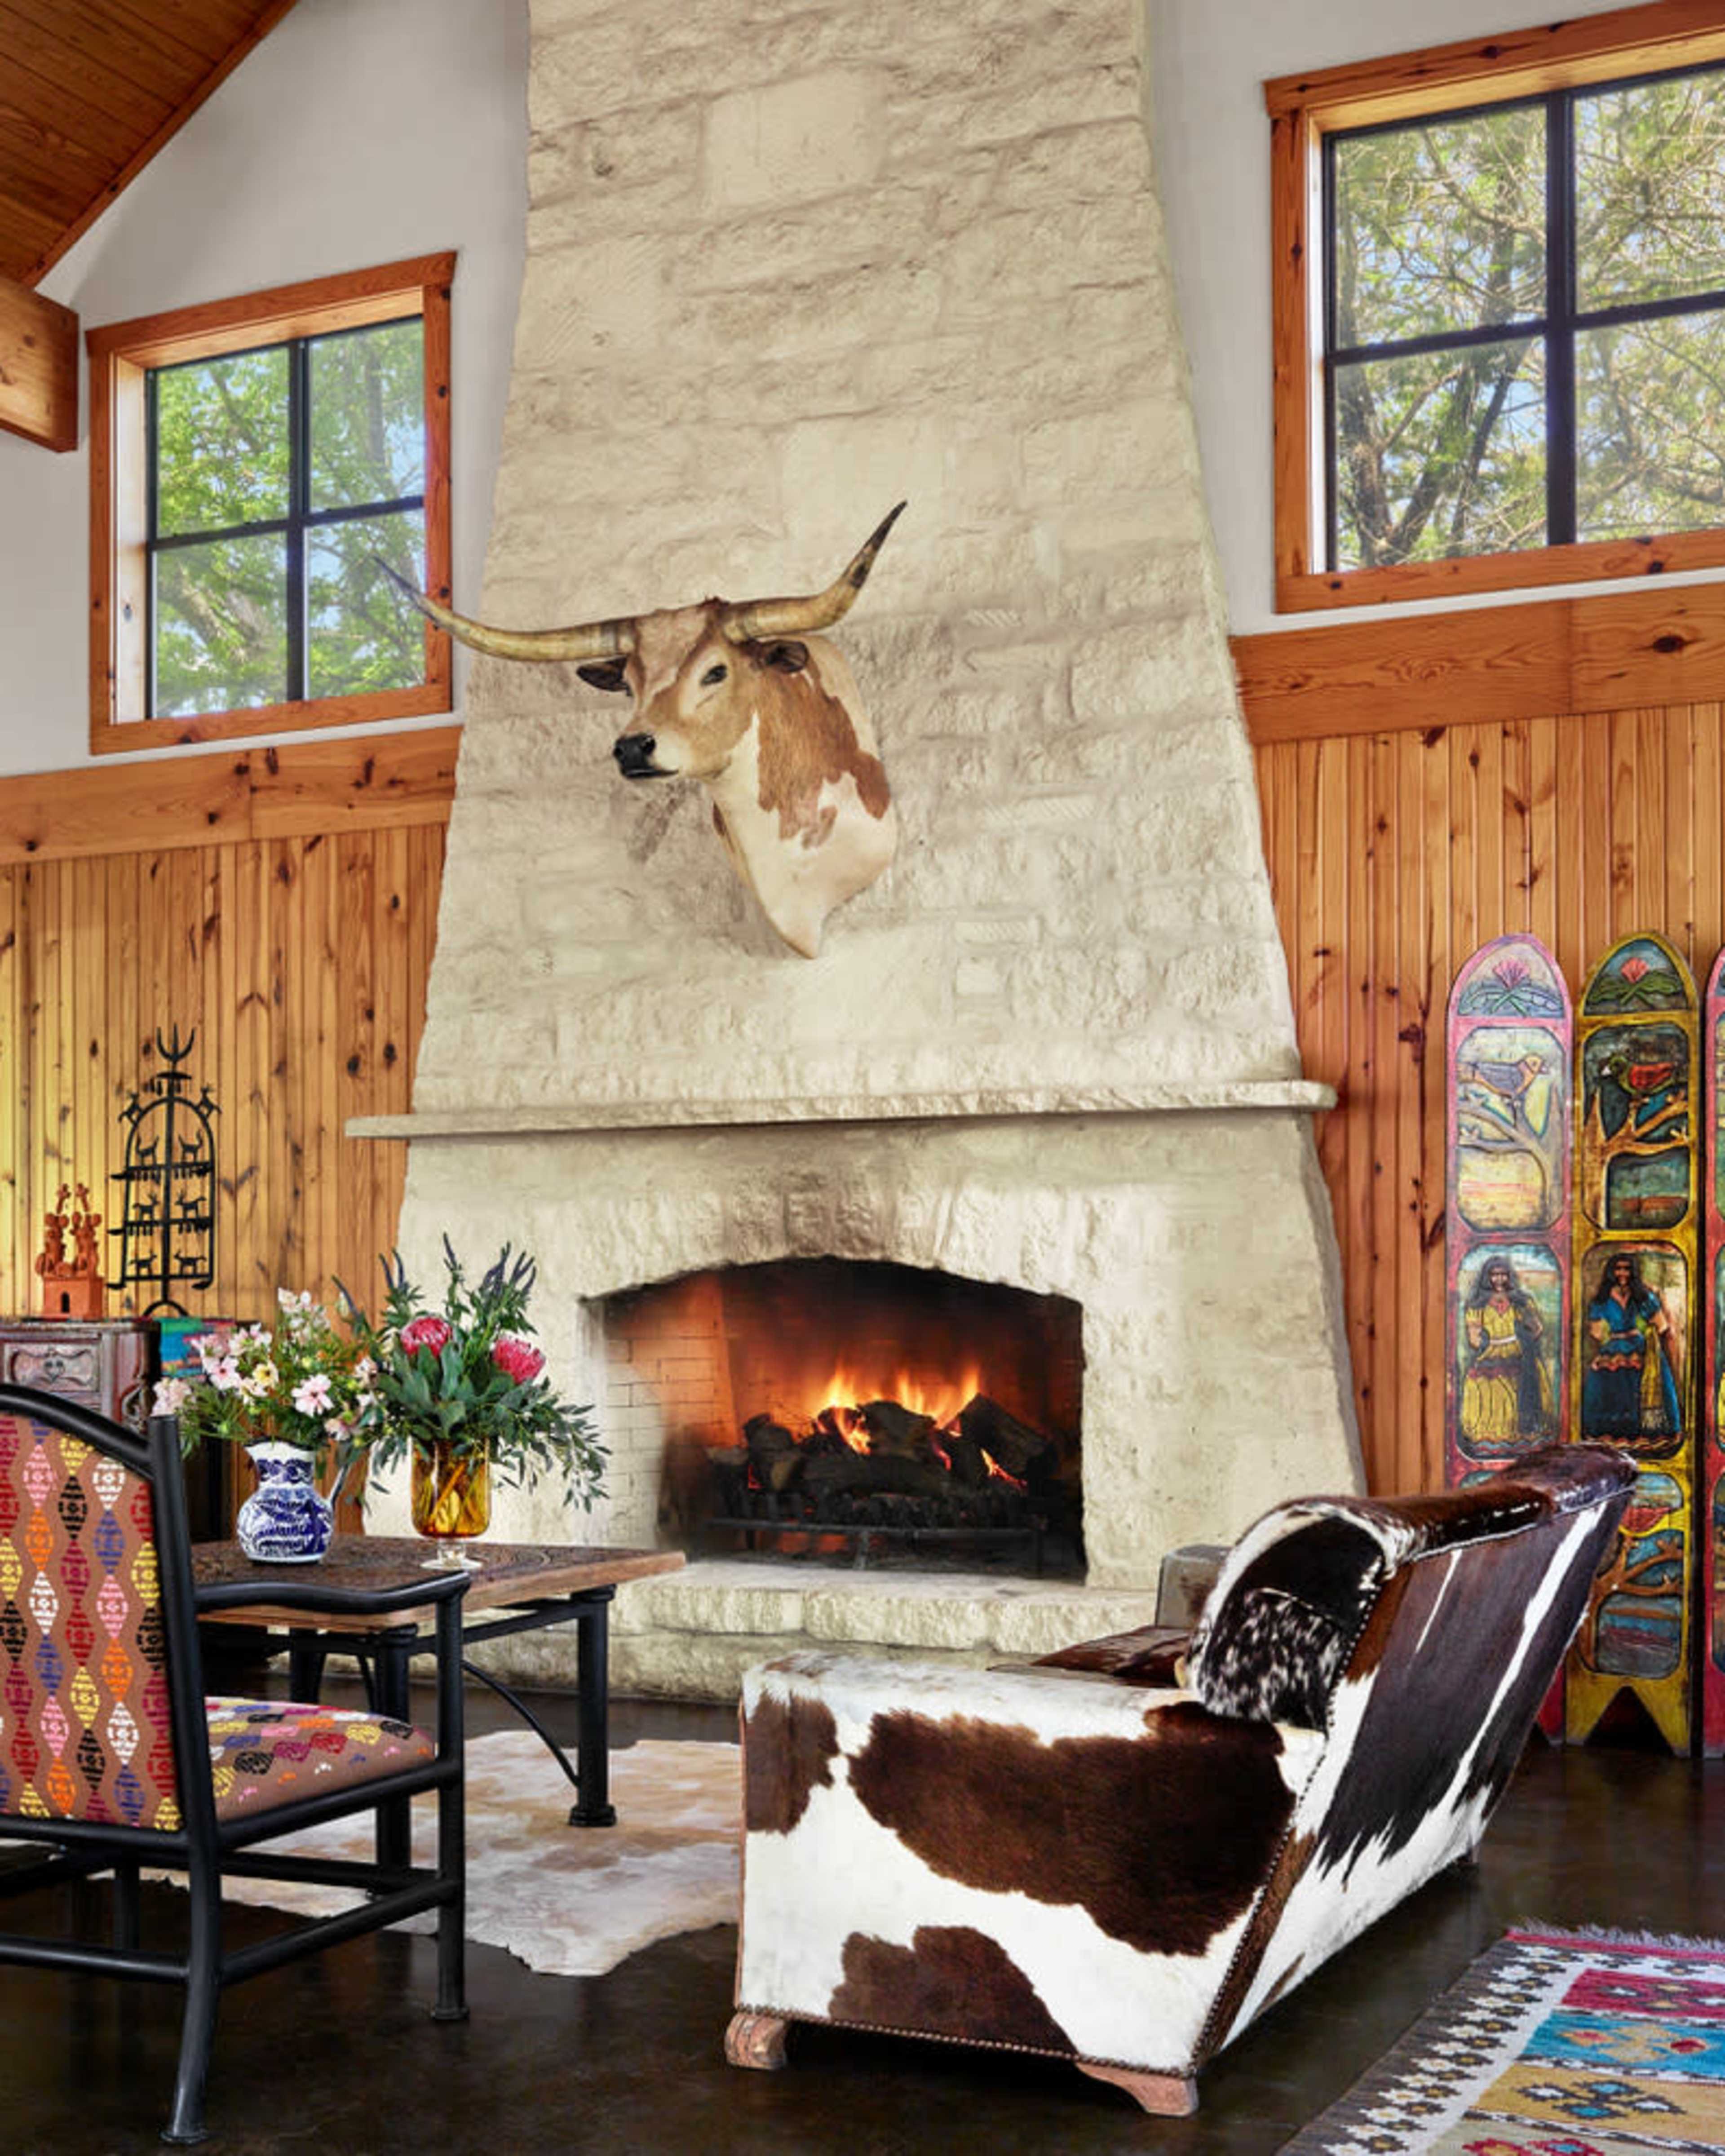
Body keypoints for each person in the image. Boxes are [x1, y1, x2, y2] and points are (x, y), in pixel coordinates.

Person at [1582, 1249, 1681, 1442]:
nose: (1622, 1274)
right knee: (1606, 1379)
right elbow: (1595, 1332)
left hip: (1638, 1344)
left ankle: (1643, 1432)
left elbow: (1662, 1325)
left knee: (1642, 1378)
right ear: (1612, 1272)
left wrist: (1649, 1336)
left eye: (1627, 1269)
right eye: (1618, 1269)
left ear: (1633, 1272)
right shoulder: (1603, 1298)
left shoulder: (1641, 1294)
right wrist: (1606, 1339)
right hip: (1613, 1344)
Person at [1459, 1255, 1554, 1448]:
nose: (1499, 1279)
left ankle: (1523, 1434)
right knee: (1486, 1387)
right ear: (1488, 1278)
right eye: (1495, 1275)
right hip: (1491, 1351)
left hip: (1519, 1351)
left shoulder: (1521, 1302)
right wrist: (1483, 1341)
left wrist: (1524, 1333)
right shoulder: (1477, 1305)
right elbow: (1474, 1338)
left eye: (1503, 1275)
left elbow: (1537, 1328)